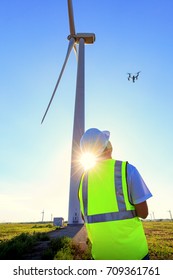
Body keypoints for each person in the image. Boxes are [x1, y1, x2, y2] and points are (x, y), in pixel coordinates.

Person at [78, 128, 152, 260]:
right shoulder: (127, 170)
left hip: (101, 256)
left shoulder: (84, 180)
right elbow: (144, 213)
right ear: (108, 147)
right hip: (134, 255)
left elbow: (85, 217)